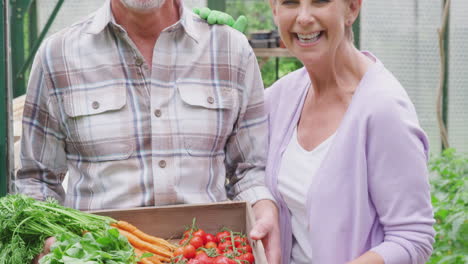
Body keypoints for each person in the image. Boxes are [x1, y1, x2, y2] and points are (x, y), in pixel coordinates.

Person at [16, 0, 280, 263]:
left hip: (206, 254)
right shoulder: (57, 56)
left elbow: (248, 171)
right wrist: (46, 239)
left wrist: (262, 207)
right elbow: (38, 180)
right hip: (99, 256)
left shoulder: (230, 50)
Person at [261, 0, 435, 263]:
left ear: (352, 8)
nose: (304, 17)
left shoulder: (383, 109)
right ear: (275, 10)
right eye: (290, 2)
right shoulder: (281, 97)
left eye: (319, 1)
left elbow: (413, 238)